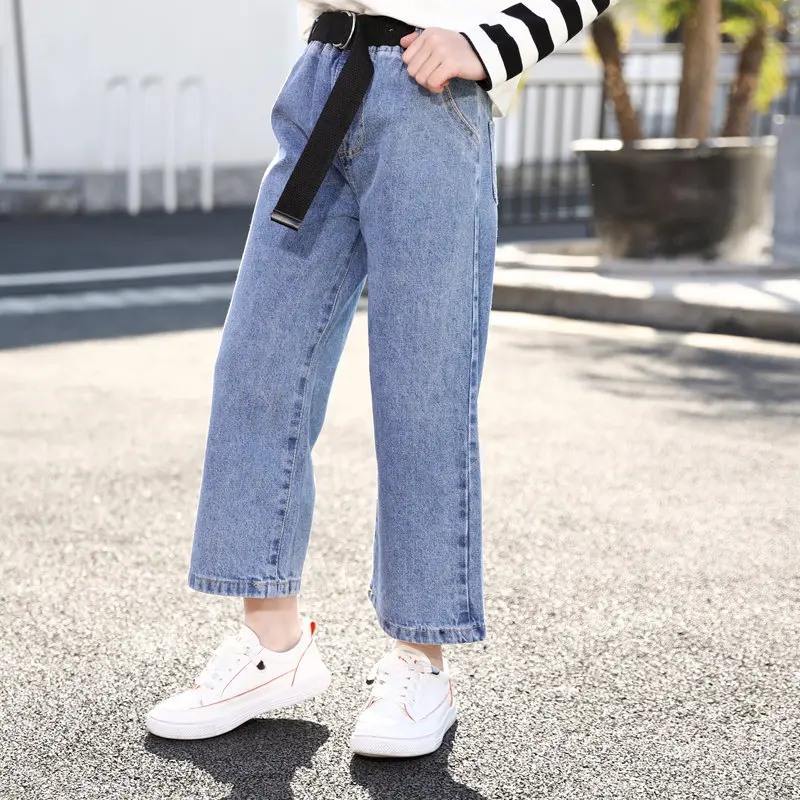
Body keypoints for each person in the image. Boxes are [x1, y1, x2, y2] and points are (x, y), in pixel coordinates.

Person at [146, 0, 608, 758]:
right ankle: (274, 647)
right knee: (258, 367)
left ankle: (421, 664)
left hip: (432, 92)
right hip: (324, 76)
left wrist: (490, 46)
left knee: (421, 390)